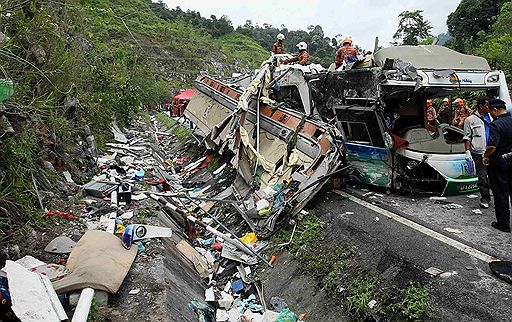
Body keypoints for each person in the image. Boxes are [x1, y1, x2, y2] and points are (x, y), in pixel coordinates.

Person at [483, 98, 512, 233]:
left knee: (500, 192)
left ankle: (503, 223)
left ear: (495, 110)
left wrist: (485, 155)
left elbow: (492, 146)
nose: (491, 115)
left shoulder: (496, 124)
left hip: (499, 162)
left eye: (490, 112)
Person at [463, 96, 491, 209]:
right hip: (479, 152)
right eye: (487, 105)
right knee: (483, 175)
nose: (489, 107)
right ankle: (485, 198)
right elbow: (467, 137)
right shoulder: (470, 120)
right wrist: (467, 152)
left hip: (492, 151)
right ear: (481, 106)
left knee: (494, 175)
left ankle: (497, 195)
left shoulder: (492, 117)